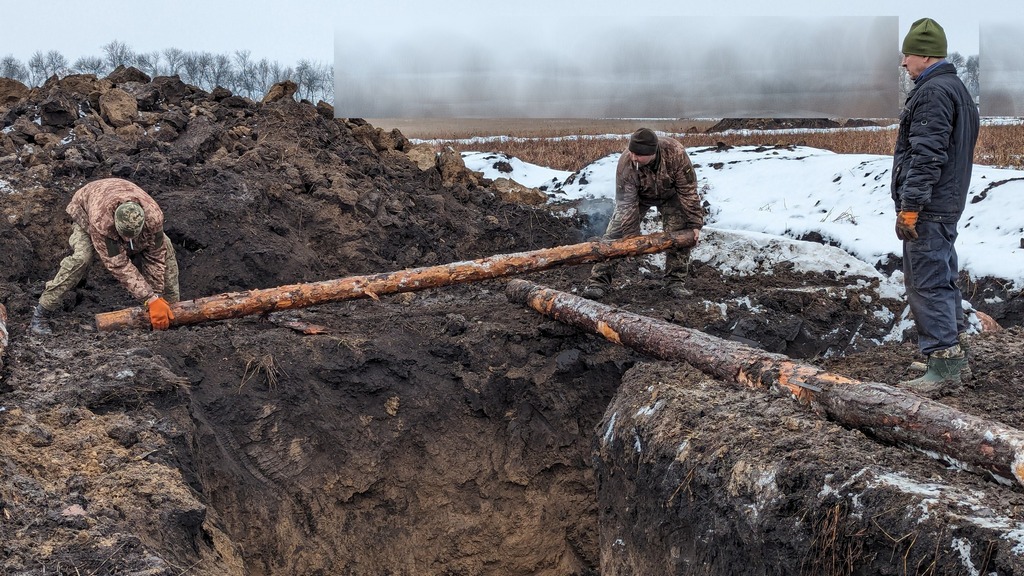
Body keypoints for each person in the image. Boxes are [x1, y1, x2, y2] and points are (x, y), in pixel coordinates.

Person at [892, 18, 979, 394]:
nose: (903, 63)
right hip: (946, 202)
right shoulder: (956, 88)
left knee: (926, 282)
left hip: (930, 206)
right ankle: (952, 353)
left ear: (925, 55)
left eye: (907, 54)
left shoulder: (932, 92)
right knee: (942, 276)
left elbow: (927, 155)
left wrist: (910, 205)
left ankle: (944, 362)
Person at [30, 178, 180, 334]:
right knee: (82, 258)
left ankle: (174, 311)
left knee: (166, 249)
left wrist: (156, 297)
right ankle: (42, 312)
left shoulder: (154, 218)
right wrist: (149, 299)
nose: (127, 242)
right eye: (124, 237)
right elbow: (119, 265)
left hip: (118, 197)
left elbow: (155, 258)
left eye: (132, 237)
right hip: (86, 209)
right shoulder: (102, 222)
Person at [581, 128, 703, 299]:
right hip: (639, 198)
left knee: (680, 233)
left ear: (652, 153)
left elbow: (688, 191)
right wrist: (631, 237)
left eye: (637, 154)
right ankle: (598, 281)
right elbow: (626, 203)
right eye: (631, 152)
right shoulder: (626, 163)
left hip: (671, 195)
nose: (633, 157)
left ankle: (675, 282)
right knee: (614, 235)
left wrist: (695, 224)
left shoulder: (675, 153)